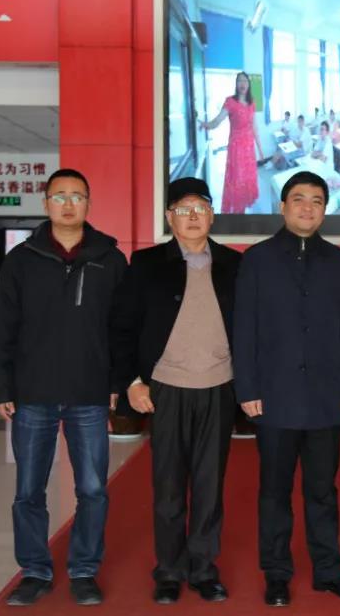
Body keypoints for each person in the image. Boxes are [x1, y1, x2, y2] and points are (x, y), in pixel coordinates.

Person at [0, 168, 127, 607]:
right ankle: (34, 571)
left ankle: (84, 570)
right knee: (29, 491)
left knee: (93, 489)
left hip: (89, 392)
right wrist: (1, 385)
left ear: (89, 203)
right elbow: (2, 326)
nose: (68, 204)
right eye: (60, 196)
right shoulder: (21, 259)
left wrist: (116, 383)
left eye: (77, 196)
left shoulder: (110, 259)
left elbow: (121, 329)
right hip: (33, 393)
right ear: (46, 203)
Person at [233, 171, 340, 608]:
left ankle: (329, 571)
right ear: (283, 206)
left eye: (316, 200)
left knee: (322, 491)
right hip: (274, 396)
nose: (307, 207)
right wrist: (247, 388)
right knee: (274, 492)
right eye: (298, 199)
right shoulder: (257, 259)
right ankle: (276, 573)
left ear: (325, 209)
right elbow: (244, 329)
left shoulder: (339, 260)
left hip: (326, 396)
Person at [110, 177, 243, 605]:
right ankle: (168, 570)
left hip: (218, 388)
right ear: (170, 217)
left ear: (212, 215)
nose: (192, 216)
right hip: (165, 389)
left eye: (200, 208)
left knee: (209, 486)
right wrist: (131, 382)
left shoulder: (234, 264)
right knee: (168, 487)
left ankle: (203, 569)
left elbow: (253, 329)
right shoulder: (146, 263)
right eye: (182, 209)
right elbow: (122, 328)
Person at [201, 71, 264, 214]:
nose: (243, 84)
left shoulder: (252, 102)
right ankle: (237, 213)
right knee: (237, 181)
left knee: (246, 181)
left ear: (248, 84)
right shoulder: (230, 101)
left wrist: (260, 150)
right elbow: (218, 120)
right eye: (240, 81)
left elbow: (255, 127)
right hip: (236, 149)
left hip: (249, 150)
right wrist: (206, 125)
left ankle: (242, 211)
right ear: (236, 84)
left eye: (245, 81)